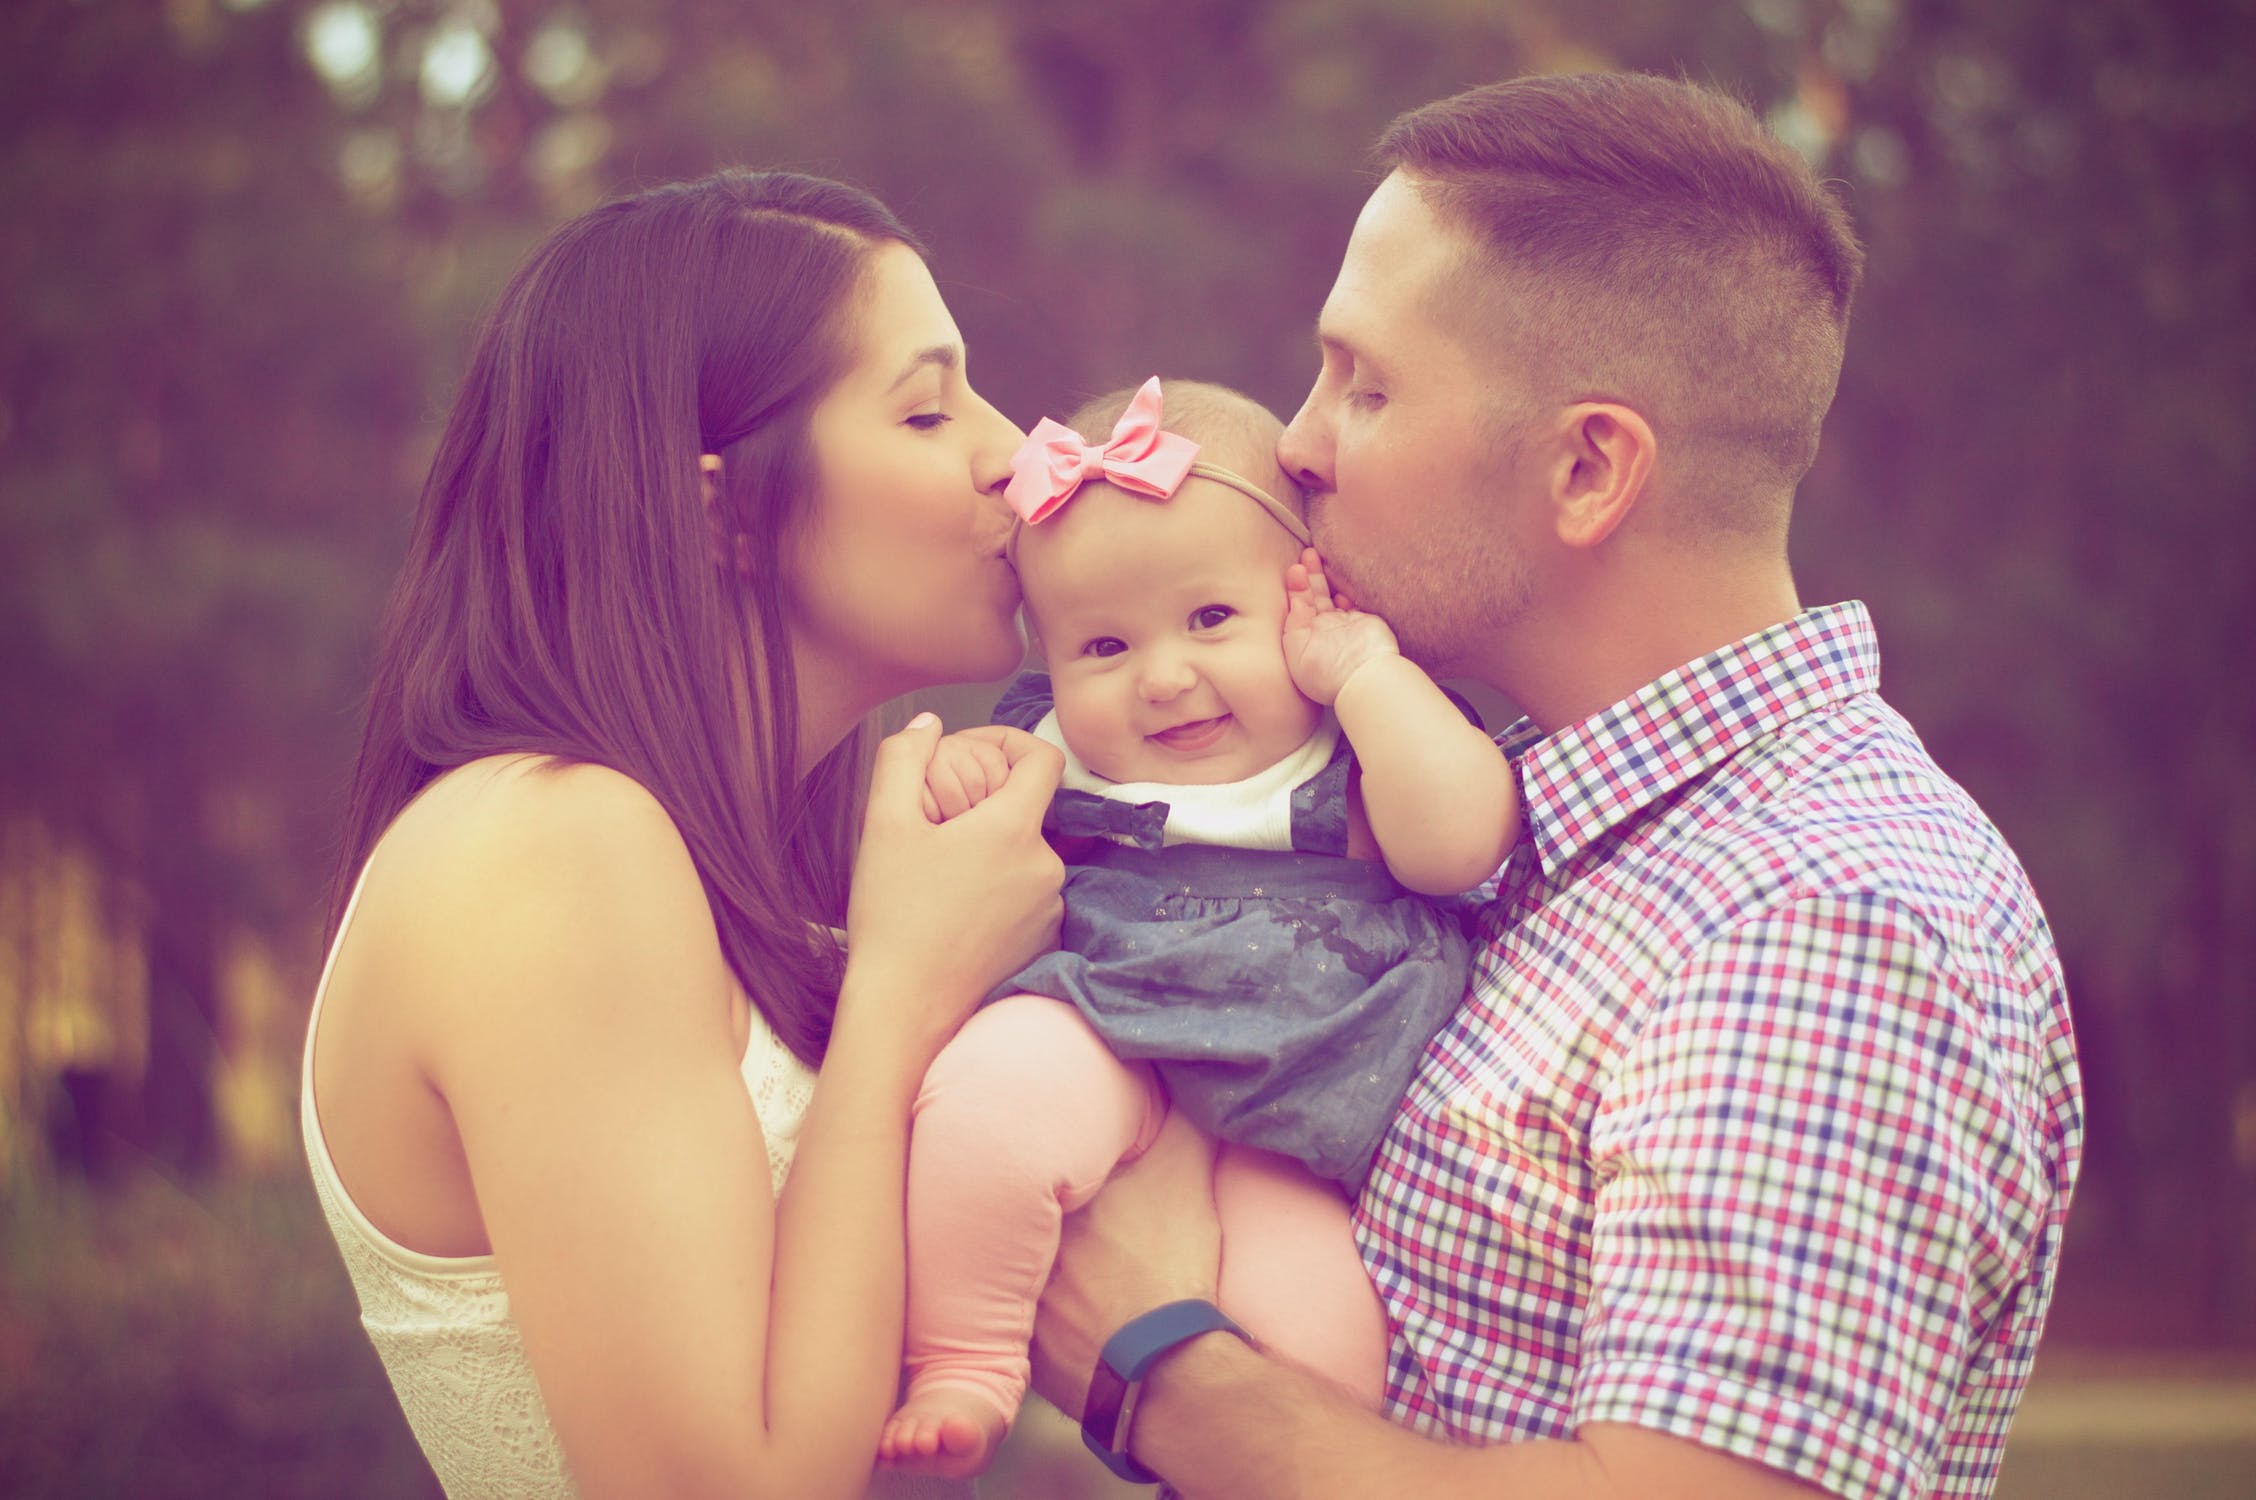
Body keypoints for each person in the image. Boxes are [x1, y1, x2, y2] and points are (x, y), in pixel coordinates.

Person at [1030, 72, 2085, 1500]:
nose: (1296, 443)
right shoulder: (1511, 822)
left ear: (1588, 467)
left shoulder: (1826, 916)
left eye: (1367, 384)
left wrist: (1162, 1367)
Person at [300, 169, 1067, 1500]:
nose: (1013, 450)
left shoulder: (744, 870)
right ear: (718, 510)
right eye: (929, 408)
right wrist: (900, 989)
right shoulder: (549, 846)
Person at [875, 378, 1518, 1479]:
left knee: (1321, 1352)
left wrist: (1364, 673)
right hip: (1109, 1028)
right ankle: (968, 1358)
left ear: (1310, 595)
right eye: (1103, 648)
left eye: (1212, 620)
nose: (1165, 679)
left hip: (1303, 1114)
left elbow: (1463, 845)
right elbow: (976, 853)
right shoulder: (1053, 750)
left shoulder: (1360, 732)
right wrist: (965, 776)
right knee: (985, 1109)